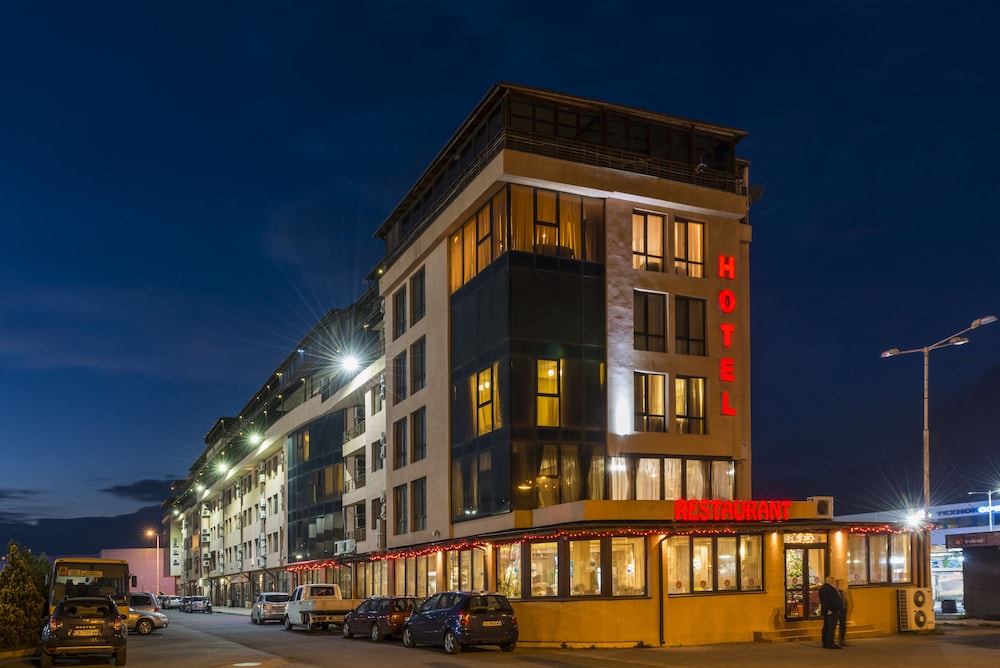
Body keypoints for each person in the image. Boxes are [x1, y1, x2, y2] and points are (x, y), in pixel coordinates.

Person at [818, 576, 843, 649]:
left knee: (826, 626)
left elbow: (823, 600)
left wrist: (826, 609)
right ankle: (830, 643)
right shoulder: (831, 589)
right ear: (831, 581)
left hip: (825, 610)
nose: (834, 582)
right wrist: (838, 609)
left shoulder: (822, 589)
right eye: (833, 581)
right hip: (832, 610)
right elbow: (835, 600)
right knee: (831, 627)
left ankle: (825, 642)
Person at [836, 578, 849, 647]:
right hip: (836, 611)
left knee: (843, 626)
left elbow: (845, 601)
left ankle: (842, 639)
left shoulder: (842, 592)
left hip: (843, 611)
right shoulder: (834, 592)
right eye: (838, 584)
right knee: (833, 626)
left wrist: (846, 608)